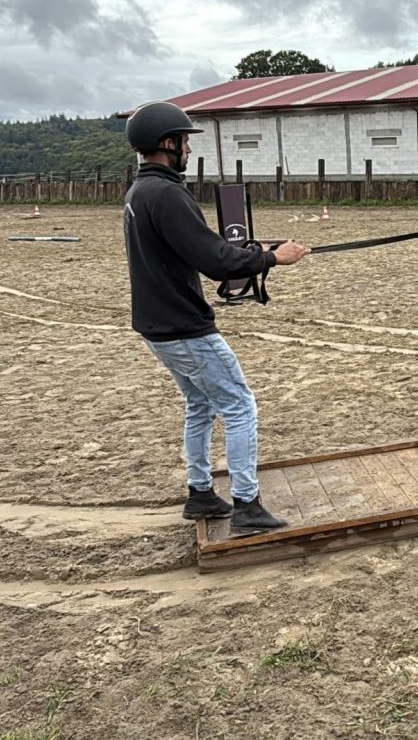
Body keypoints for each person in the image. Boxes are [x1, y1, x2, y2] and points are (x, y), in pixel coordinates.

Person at [123, 101, 309, 533]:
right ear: (168, 144)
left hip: (157, 325)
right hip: (184, 326)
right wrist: (273, 258)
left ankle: (200, 492)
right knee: (240, 405)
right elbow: (215, 261)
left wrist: (252, 254)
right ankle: (247, 504)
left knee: (200, 404)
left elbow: (197, 250)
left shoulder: (140, 192)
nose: (189, 148)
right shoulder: (167, 194)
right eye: (184, 141)